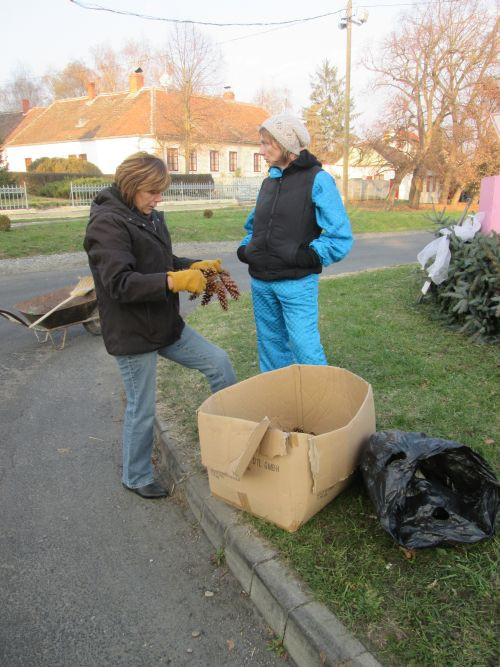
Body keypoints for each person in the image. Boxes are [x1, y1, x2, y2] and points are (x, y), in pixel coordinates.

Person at [84, 152, 236, 499]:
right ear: (131, 185)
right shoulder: (106, 224)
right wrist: (174, 281)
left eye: (160, 190)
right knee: (143, 406)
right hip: (132, 332)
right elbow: (119, 283)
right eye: (152, 191)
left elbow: (161, 262)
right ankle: (135, 476)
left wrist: (194, 266)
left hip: (166, 324)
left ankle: (234, 440)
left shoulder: (147, 216)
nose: (159, 198)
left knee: (219, 363)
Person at [236, 113, 353, 372]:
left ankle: (321, 406)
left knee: (305, 347)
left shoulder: (318, 179)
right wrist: (247, 249)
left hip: (296, 284)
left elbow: (340, 236)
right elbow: (254, 225)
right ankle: (282, 403)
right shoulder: (269, 182)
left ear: (286, 144)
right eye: (261, 142)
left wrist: (307, 256)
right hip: (261, 282)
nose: (261, 150)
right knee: (271, 346)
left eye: (268, 143)